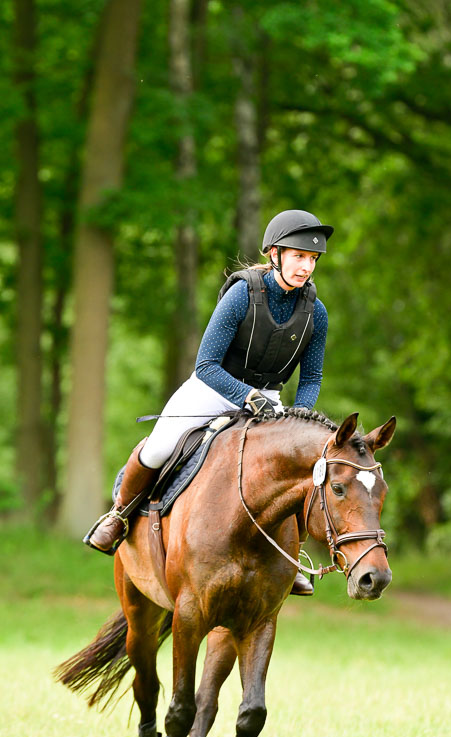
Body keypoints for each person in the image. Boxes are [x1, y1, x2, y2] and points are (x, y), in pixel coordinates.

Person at [89, 209, 333, 595]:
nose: (306, 267)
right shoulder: (243, 294)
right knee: (160, 447)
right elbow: (205, 365)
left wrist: (300, 419)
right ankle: (119, 515)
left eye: (312, 259)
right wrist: (246, 396)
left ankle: (290, 557)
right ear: (275, 254)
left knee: (296, 469)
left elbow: (312, 377)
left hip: (269, 397)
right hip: (215, 387)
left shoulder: (315, 313)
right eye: (299, 256)